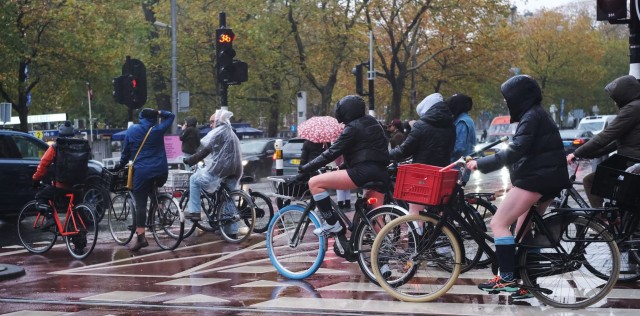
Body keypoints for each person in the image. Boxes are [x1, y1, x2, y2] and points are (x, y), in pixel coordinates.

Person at [466, 75, 570, 299]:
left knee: (499, 223)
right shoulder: (535, 115)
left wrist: (480, 163)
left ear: (519, 97)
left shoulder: (531, 117)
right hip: (548, 178)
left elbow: (516, 151)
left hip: (537, 180)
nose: (506, 103)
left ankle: (507, 280)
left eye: (508, 98)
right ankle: (528, 285)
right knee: (523, 233)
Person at [297, 95, 389, 236]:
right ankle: (383, 252)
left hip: (361, 173)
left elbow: (331, 153)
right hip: (381, 173)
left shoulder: (352, 128)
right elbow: (363, 151)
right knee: (376, 217)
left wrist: (305, 168)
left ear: (345, 111)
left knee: (314, 183)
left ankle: (332, 224)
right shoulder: (374, 123)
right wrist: (341, 168)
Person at [566, 75, 640, 208]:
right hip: (632, 162)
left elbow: (606, 136)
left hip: (632, 163)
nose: (614, 102)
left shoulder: (632, 109)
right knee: (622, 204)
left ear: (623, 95)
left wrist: (576, 154)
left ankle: (601, 222)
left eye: (615, 98)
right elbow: (614, 142)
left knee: (590, 181)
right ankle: (615, 219)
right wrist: (587, 154)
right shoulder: (635, 107)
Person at [389, 92, 456, 217]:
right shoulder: (451, 126)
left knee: (415, 209)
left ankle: (416, 234)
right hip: (442, 172)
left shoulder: (421, 125)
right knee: (438, 207)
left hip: (421, 174)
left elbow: (404, 151)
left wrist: (387, 154)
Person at [119, 109, 175, 251]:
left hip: (143, 172)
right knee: (153, 189)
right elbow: (171, 116)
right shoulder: (158, 129)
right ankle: (159, 208)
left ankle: (141, 237)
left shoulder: (132, 130)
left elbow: (126, 152)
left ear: (141, 117)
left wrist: (120, 164)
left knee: (140, 203)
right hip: (161, 171)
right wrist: (159, 112)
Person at [183, 109, 242, 238]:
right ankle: (230, 232)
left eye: (212, 122)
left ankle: (195, 212)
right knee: (228, 199)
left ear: (218, 121)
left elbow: (205, 151)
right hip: (235, 169)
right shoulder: (230, 132)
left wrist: (190, 160)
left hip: (221, 169)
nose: (210, 125)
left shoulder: (218, 133)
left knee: (194, 179)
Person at [32, 121, 90, 230]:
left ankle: (50, 218)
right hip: (78, 186)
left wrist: (36, 178)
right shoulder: (81, 145)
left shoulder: (56, 146)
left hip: (61, 186)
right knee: (75, 213)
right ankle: (80, 242)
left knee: (40, 196)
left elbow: (44, 163)